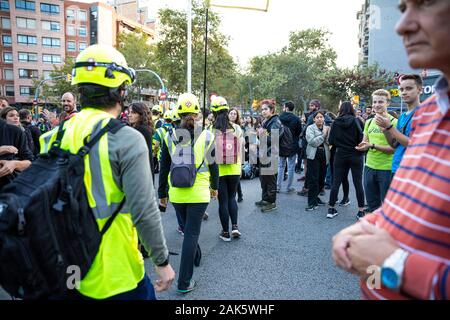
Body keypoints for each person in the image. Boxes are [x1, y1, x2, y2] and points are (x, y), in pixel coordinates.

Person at [333, 0, 450, 300]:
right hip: (372, 169)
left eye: (427, 4)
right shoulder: (430, 113)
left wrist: (393, 262)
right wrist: (366, 226)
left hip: (385, 166)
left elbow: (392, 261)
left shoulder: (405, 118)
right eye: (402, 9)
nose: (401, 26)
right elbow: (406, 207)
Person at [39, 44, 175, 300]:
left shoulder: (52, 137)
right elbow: (144, 209)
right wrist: (162, 261)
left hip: (68, 268)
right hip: (117, 274)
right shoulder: (127, 139)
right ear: (120, 90)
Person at [158, 93, 219, 294]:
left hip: (176, 193)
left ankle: (196, 256)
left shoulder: (168, 137)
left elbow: (164, 167)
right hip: (199, 193)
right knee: (192, 233)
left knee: (188, 232)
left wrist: (162, 193)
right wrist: (214, 187)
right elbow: (214, 165)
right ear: (197, 114)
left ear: (178, 112)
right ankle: (184, 282)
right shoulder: (208, 136)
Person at [356, 89, 397, 214]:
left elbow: (393, 149)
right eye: (375, 102)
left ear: (387, 103)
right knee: (372, 205)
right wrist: (362, 147)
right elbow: (365, 142)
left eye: (380, 102)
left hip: (387, 169)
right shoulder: (368, 122)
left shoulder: (394, 122)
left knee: (387, 205)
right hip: (369, 167)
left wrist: (372, 145)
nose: (377, 105)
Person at [210, 98, 243, 242]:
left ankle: (225, 232)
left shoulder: (210, 130)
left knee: (222, 201)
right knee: (232, 198)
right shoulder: (237, 128)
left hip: (219, 171)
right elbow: (241, 149)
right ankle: (235, 227)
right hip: (234, 169)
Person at [376, 74, 422, 177]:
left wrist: (389, 127)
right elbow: (394, 144)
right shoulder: (401, 117)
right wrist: (385, 130)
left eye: (409, 88)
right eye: (401, 89)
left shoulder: (423, 113)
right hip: (397, 168)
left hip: (412, 171)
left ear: (419, 90)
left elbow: (413, 145)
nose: (404, 92)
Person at [327, 102, 365, 219]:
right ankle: (361, 211)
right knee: (358, 183)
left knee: (336, 182)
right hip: (356, 154)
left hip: (340, 154)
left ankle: (331, 208)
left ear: (341, 109)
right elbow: (362, 137)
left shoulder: (335, 122)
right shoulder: (357, 121)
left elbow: (331, 140)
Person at [256, 100, 281, 213]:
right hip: (265, 153)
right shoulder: (267, 121)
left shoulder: (275, 122)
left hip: (271, 154)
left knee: (270, 179)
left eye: (266, 109)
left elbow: (274, 139)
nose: (263, 111)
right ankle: (265, 199)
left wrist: (262, 134)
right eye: (262, 109)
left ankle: (272, 202)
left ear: (272, 110)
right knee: (264, 178)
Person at [305, 111, 330, 211]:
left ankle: (316, 198)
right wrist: (323, 136)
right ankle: (311, 202)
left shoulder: (327, 128)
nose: (320, 119)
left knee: (321, 179)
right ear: (314, 119)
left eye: (321, 117)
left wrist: (327, 136)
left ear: (324, 119)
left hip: (324, 155)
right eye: (317, 117)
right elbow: (312, 142)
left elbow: (329, 141)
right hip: (313, 155)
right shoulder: (310, 128)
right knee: (313, 179)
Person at [0, 117, 33, 190]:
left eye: (17, 115)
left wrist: (14, 164)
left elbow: (30, 162)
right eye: (11, 115)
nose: (16, 117)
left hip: (8, 191)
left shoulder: (15, 131)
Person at [277, 101, 301, 193]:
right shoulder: (296, 119)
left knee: (280, 166)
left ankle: (278, 187)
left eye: (283, 106)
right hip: (292, 145)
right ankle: (289, 187)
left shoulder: (279, 118)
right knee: (291, 167)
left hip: (281, 145)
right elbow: (299, 132)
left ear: (286, 108)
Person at [128, 102, 155, 182]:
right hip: (145, 172)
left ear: (141, 115)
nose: (129, 115)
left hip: (140, 173)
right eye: (129, 112)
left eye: (133, 113)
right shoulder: (144, 128)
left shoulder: (141, 130)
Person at [228, 107, 244, 203]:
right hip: (226, 155)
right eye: (231, 113)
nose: (233, 115)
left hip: (236, 154)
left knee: (236, 176)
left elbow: (241, 143)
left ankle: (240, 194)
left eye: (235, 114)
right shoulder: (224, 125)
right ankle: (239, 194)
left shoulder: (238, 127)